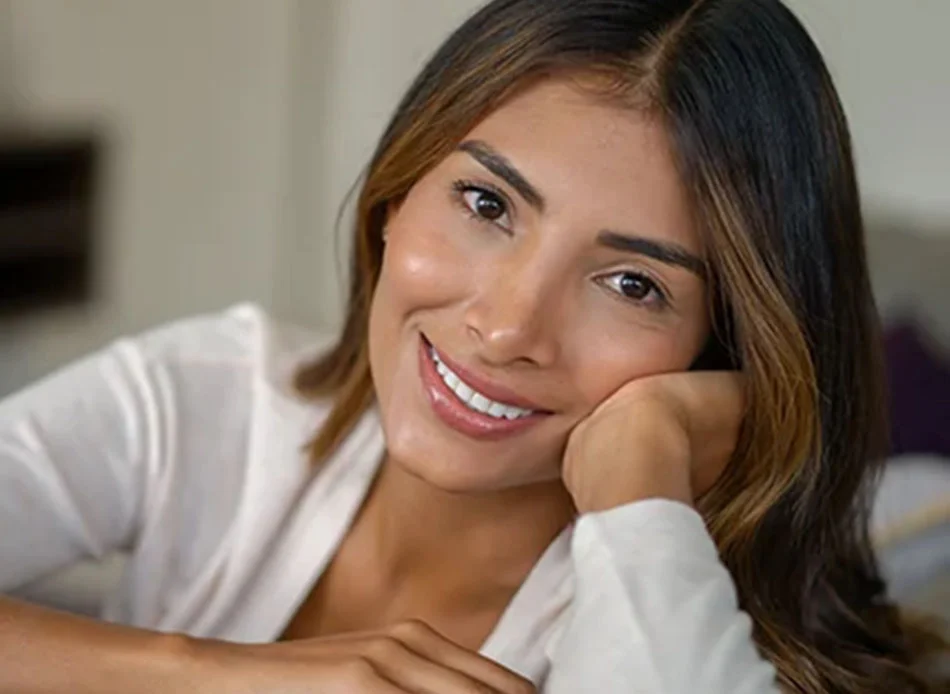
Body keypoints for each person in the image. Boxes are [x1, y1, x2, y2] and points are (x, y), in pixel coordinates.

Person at [0, 0, 943, 691]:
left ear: (723, 344)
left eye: (633, 285)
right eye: (487, 204)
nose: (505, 328)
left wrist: (642, 470)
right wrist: (220, 677)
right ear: (395, 194)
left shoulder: (675, 614)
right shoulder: (214, 396)